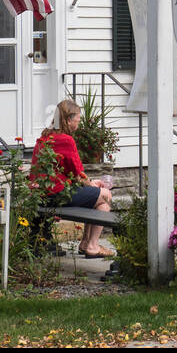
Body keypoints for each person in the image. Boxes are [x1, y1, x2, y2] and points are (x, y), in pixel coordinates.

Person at [32, 99, 114, 258]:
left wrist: (91, 183)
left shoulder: (45, 137)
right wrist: (92, 184)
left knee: (95, 194)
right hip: (56, 194)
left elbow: (71, 174)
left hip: (42, 193)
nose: (79, 123)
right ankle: (92, 246)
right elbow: (77, 173)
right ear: (69, 120)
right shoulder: (66, 140)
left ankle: (85, 244)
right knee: (105, 195)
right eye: (78, 119)